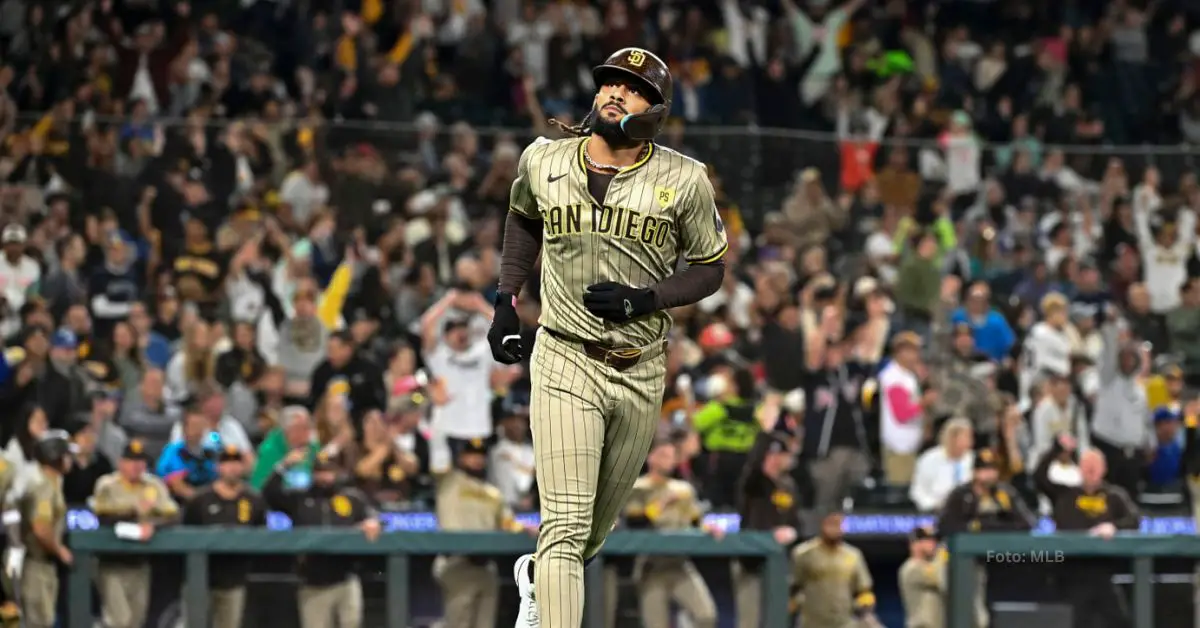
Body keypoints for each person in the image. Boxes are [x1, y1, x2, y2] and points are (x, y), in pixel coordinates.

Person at [489, 46, 728, 628]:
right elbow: (523, 218)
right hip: (565, 356)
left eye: (635, 88)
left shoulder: (685, 178)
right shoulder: (544, 159)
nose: (617, 93)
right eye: (610, 84)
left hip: (641, 365)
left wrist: (647, 298)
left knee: (593, 532)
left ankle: (541, 590)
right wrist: (505, 299)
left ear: (656, 109)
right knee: (565, 526)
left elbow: (710, 267)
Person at [263, 448, 381, 628]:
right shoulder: (300, 498)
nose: (324, 477)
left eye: (328, 471)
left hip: (346, 579)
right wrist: (284, 466)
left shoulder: (352, 497)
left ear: (336, 472)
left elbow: (372, 516)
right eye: (319, 471)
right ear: (313, 473)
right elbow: (270, 494)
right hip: (312, 583)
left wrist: (372, 521)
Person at [1033, 433, 1139, 628]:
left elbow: (1135, 520)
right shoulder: (1064, 495)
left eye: (1095, 465)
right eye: (1087, 465)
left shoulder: (1115, 496)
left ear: (1104, 469)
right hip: (1071, 571)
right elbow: (1039, 477)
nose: (1091, 470)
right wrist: (1057, 449)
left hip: (1104, 572)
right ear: (1079, 468)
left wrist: (1114, 527)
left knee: (1121, 621)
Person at [434, 438, 536, 628]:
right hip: (457, 563)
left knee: (485, 624)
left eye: (480, 456)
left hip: (486, 567)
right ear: (461, 457)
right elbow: (437, 458)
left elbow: (506, 522)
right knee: (459, 623)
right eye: (471, 455)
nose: (476, 460)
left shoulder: (493, 493)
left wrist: (523, 528)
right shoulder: (448, 482)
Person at [623, 438, 720, 628]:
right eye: (663, 455)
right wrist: (661, 504)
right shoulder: (638, 488)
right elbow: (635, 523)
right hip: (651, 566)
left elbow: (695, 520)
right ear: (651, 458)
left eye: (671, 456)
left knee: (706, 616)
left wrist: (709, 528)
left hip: (680, 563)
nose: (669, 460)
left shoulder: (683, 489)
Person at [938, 448, 1036, 628]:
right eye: (984, 470)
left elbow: (1028, 524)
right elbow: (945, 526)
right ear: (975, 472)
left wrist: (983, 526)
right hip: (968, 565)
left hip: (1002, 562)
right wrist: (978, 527)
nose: (988, 475)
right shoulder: (961, 495)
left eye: (992, 470)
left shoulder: (1005, 494)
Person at [92, 439, 180, 628]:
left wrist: (152, 525)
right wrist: (134, 513)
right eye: (131, 460)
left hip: (141, 564)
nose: (136, 466)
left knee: (135, 621)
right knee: (119, 621)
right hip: (112, 563)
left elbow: (172, 515)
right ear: (121, 462)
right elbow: (102, 515)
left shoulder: (153, 485)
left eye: (140, 461)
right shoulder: (108, 484)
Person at [733, 394, 801, 628]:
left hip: (779, 562)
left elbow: (796, 521)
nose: (772, 460)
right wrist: (765, 432)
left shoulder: (789, 485)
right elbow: (753, 465)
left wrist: (791, 531)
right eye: (769, 456)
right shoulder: (754, 483)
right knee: (749, 623)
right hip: (750, 562)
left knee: (779, 620)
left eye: (777, 456)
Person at [182, 444, 269, 628]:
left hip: (235, 579)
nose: (232, 468)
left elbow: (262, 535)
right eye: (227, 463)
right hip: (201, 579)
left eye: (236, 463)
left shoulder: (253, 499)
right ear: (218, 467)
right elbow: (185, 534)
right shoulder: (201, 499)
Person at [17, 430, 73, 628]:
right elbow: (40, 528)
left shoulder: (50, 481)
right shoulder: (43, 485)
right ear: (54, 456)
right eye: (66, 454)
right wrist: (60, 550)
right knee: (39, 622)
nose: (70, 459)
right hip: (35, 564)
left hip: (38, 563)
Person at [790, 511, 880, 628]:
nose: (835, 529)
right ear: (823, 525)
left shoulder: (853, 555)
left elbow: (863, 589)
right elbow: (794, 587)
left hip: (844, 623)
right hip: (811, 622)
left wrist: (865, 606)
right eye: (831, 524)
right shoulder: (804, 554)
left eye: (838, 524)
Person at [898, 525, 945, 628]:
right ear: (915, 543)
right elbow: (940, 578)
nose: (934, 544)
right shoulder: (912, 568)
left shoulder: (929, 565)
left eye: (934, 540)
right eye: (928, 540)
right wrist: (942, 554)